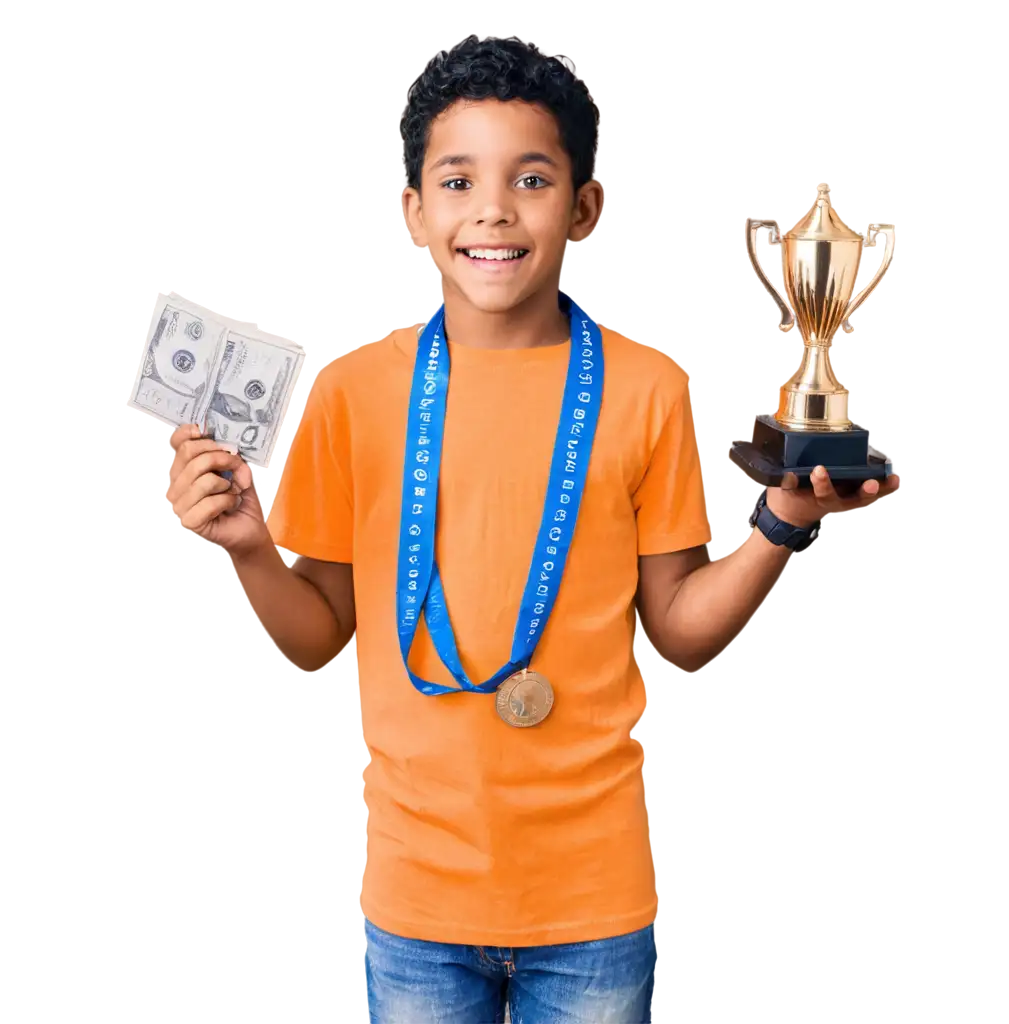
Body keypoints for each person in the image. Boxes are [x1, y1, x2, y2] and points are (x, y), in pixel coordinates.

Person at [160, 33, 901, 1024]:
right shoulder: (352, 393)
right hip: (415, 895)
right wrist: (248, 549)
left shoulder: (643, 390)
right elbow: (319, 638)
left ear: (583, 206)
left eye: (532, 178)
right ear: (413, 212)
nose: (493, 210)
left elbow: (679, 625)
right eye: (457, 180)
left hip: (592, 898)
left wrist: (780, 523)